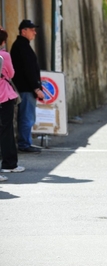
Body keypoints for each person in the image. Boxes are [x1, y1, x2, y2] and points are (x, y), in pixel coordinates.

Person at [10, 20, 44, 153]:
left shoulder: (22, 45)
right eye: (31, 29)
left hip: (24, 88)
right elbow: (28, 69)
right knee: (27, 117)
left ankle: (25, 141)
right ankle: (24, 143)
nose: (34, 32)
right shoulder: (22, 46)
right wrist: (36, 88)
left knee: (26, 116)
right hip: (25, 89)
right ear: (23, 31)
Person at [0, 28, 25, 181]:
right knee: (6, 131)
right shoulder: (4, 56)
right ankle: (9, 164)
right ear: (3, 41)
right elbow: (11, 73)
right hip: (4, 97)